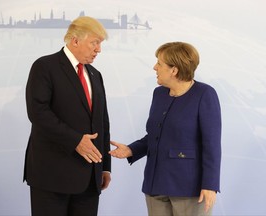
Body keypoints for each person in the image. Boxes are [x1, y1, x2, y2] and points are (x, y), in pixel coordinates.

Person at [109, 42, 222, 216]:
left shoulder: (204, 94)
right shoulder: (159, 93)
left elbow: (212, 144)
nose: (155, 67)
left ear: (174, 70)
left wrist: (210, 185)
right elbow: (155, 135)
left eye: (159, 64)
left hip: (189, 188)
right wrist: (131, 150)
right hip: (155, 184)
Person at [23, 16, 111, 216]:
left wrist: (105, 166)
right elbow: (38, 113)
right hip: (52, 176)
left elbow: (102, 122)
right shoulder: (45, 66)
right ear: (75, 40)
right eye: (95, 43)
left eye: (100, 44)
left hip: (90, 179)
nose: (99, 50)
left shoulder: (95, 74)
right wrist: (75, 140)